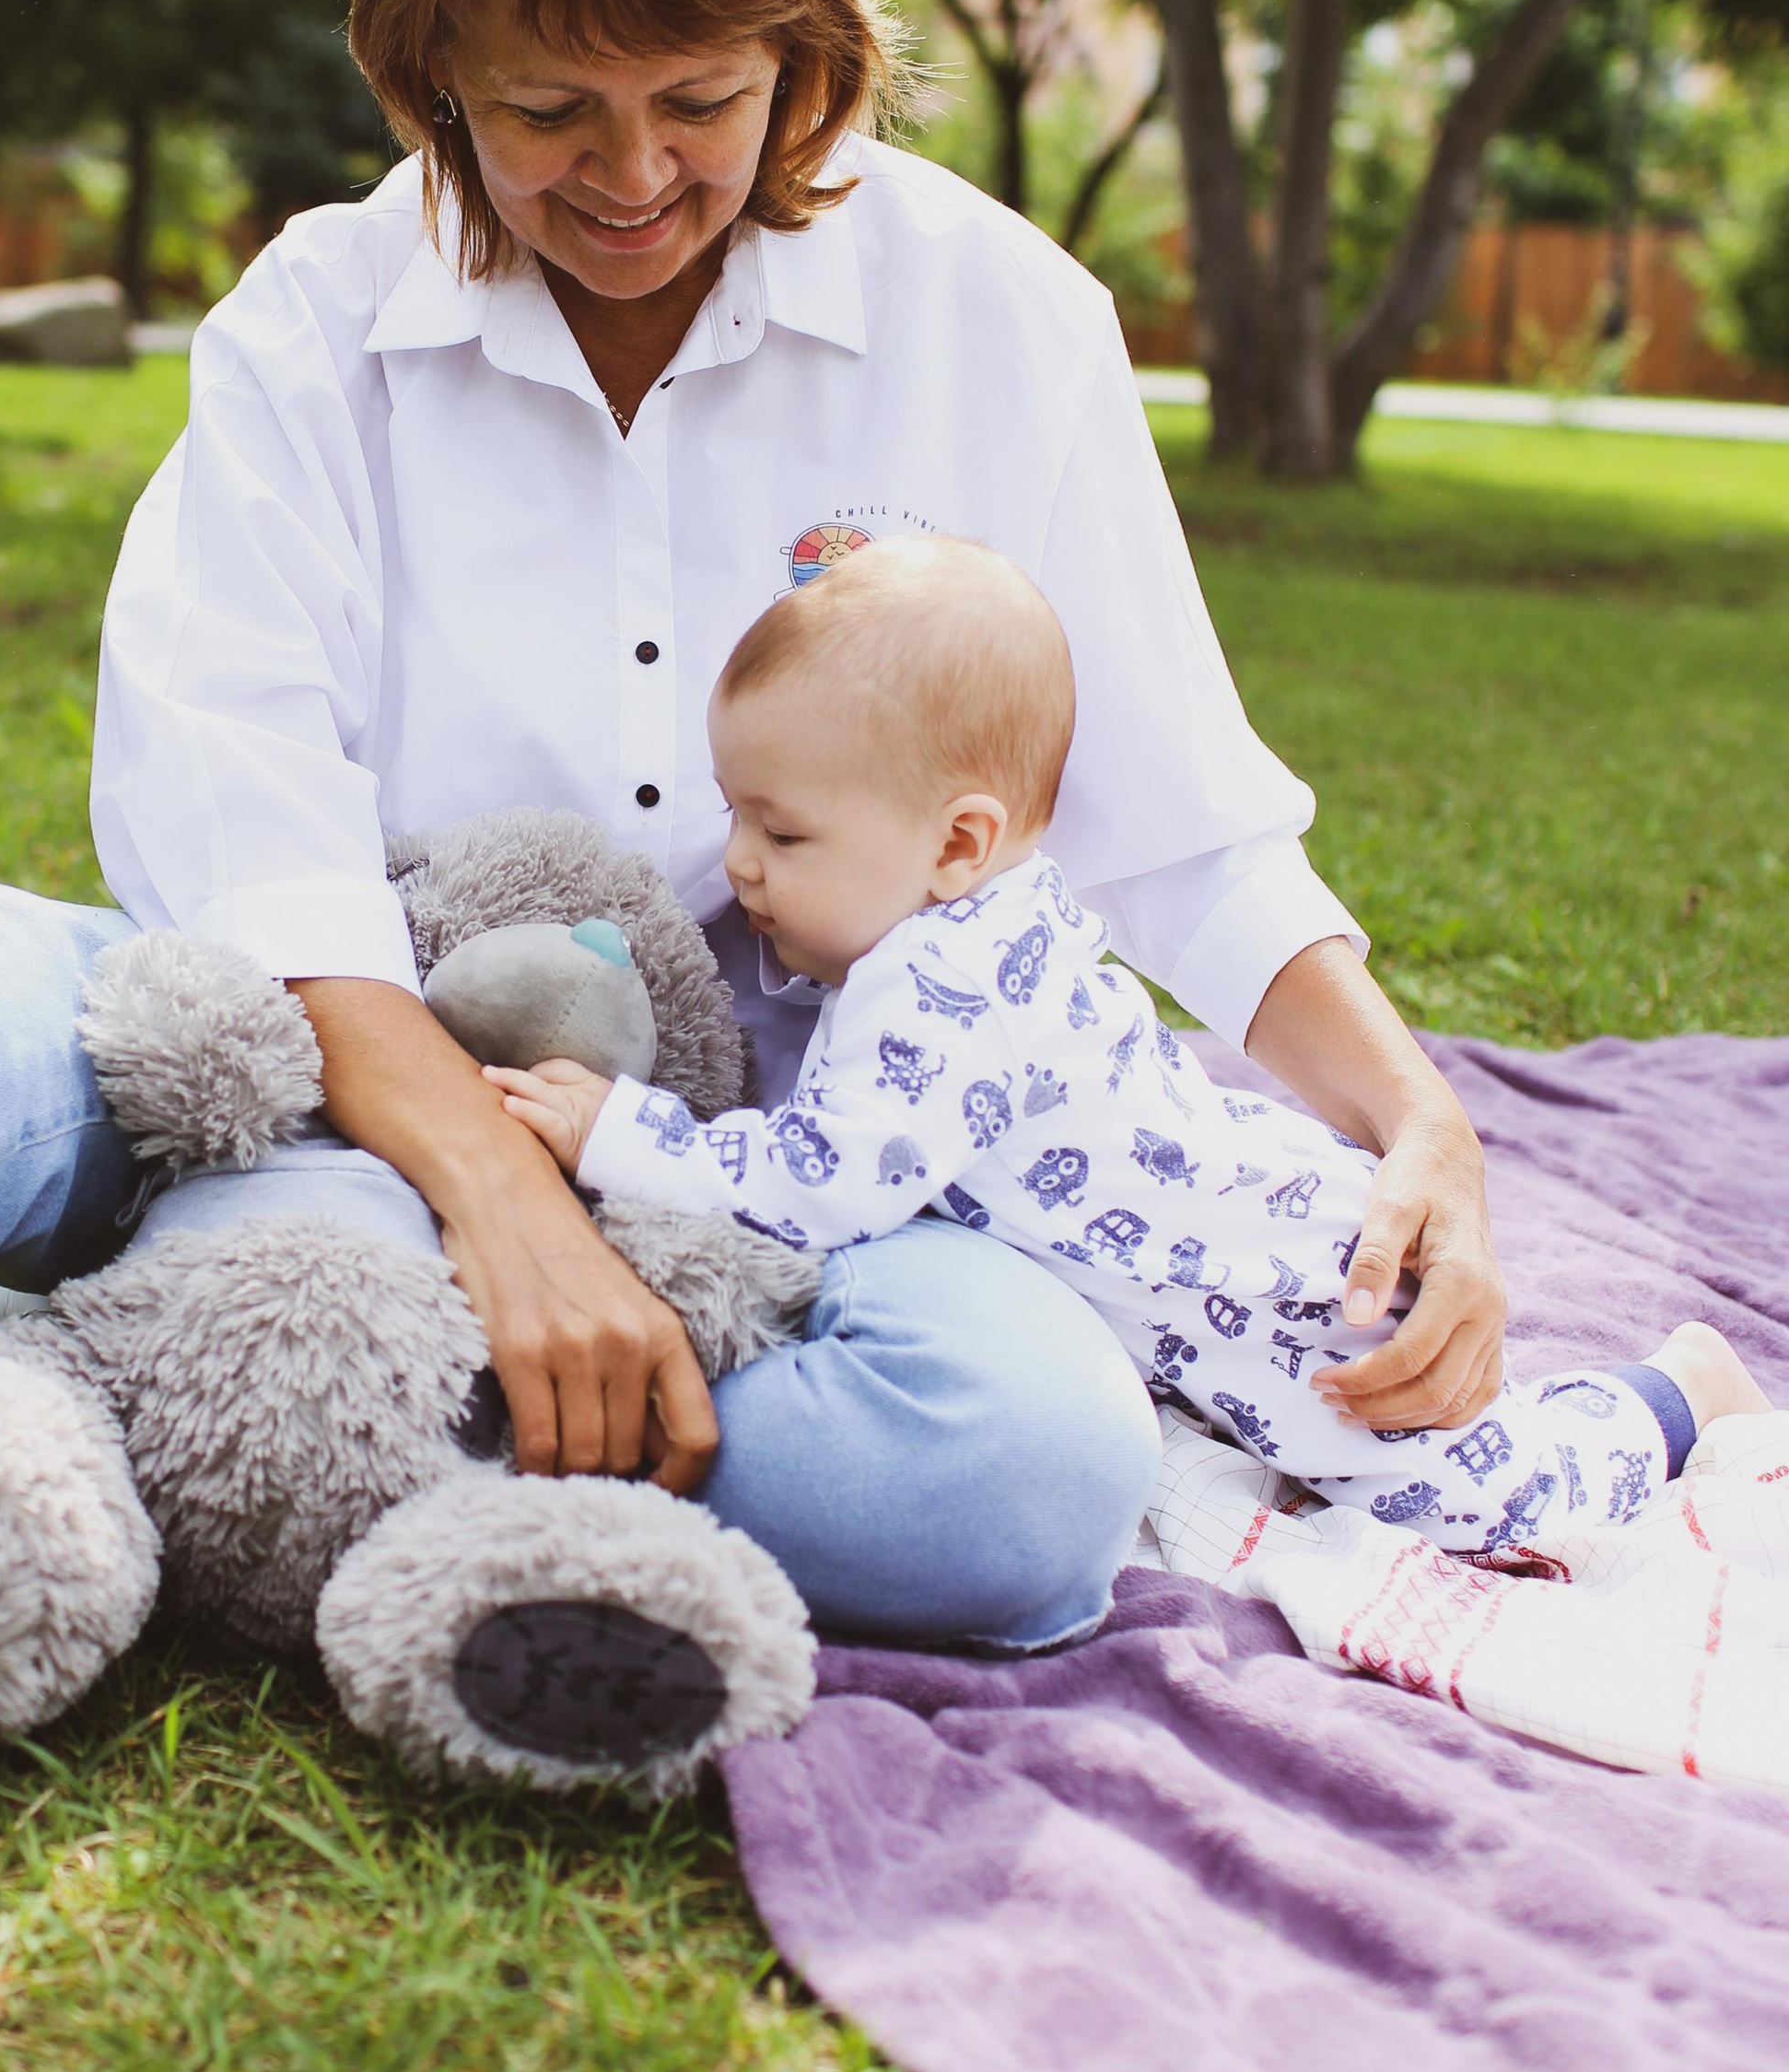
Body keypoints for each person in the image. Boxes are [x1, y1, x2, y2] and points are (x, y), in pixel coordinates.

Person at [0, 0, 1511, 1706]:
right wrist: (494, 1196)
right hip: (306, 1084)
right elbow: (242, 824)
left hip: (772, 1184)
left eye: (697, 102)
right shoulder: (310, 331)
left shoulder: (1001, 321)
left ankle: (186, 1404)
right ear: (431, 70)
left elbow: (1174, 823)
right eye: (544, 112)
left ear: (804, 48)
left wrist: (1415, 1124)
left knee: (1019, 1477)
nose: (627, 179)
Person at [492, 538, 1766, 1556]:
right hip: (1246, 1220)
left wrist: (618, 1129)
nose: (740, 863)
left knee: (1487, 1504)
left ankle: (1673, 1399)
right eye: (736, 815)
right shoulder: (993, 912)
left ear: (956, 841)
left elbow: (821, 1190)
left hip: (1301, 1301)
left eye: (782, 832)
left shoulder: (931, 988)